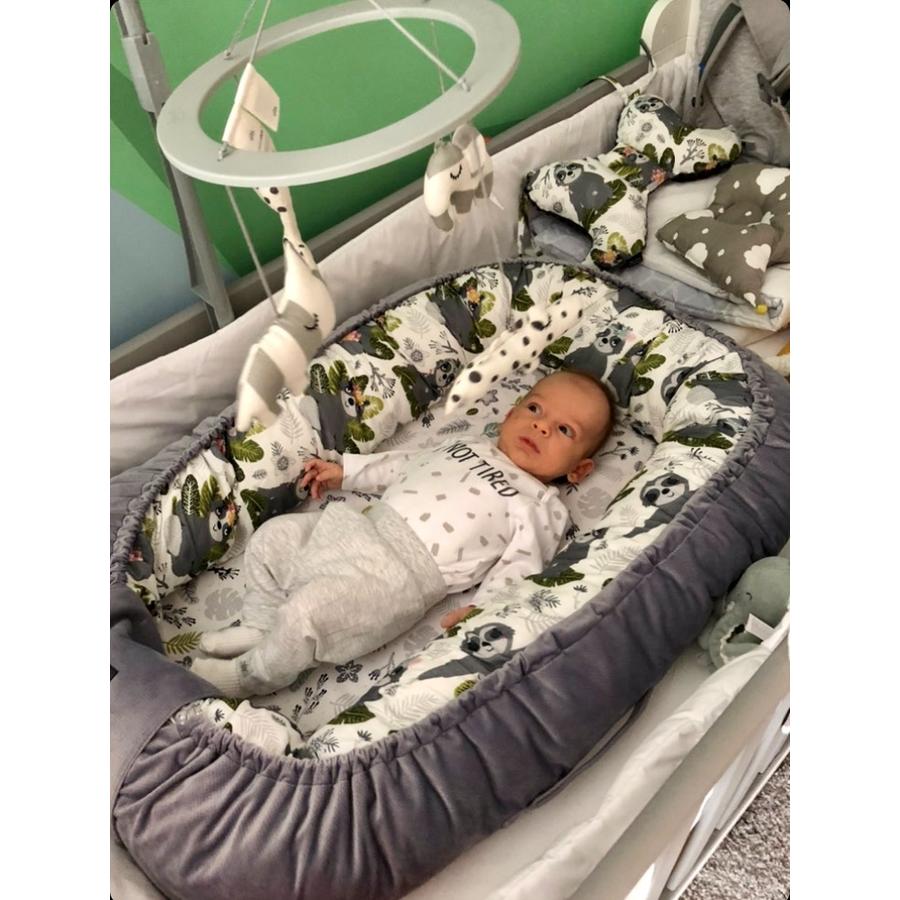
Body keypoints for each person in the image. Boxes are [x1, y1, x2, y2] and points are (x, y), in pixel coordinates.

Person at [192, 370, 613, 698]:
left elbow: (522, 565)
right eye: (535, 409)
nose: (542, 427)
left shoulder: (539, 503)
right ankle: (259, 623)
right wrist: (347, 472)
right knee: (273, 538)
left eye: (565, 431)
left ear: (578, 470)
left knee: (307, 614)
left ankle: (251, 675)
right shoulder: (467, 446)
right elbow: (404, 464)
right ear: (510, 413)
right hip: (359, 525)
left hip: (398, 578)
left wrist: (484, 612)